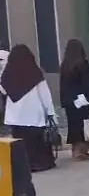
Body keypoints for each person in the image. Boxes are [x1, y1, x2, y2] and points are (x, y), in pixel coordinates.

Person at [0, 44, 57, 172]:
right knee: (36, 142)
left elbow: (3, 90)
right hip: (34, 114)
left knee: (20, 143)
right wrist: (50, 112)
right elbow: (45, 94)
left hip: (15, 116)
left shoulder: (8, 73)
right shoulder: (35, 72)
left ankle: (22, 166)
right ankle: (39, 163)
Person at [60, 39, 89, 161]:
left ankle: (75, 150)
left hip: (69, 102)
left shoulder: (65, 65)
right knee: (84, 125)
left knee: (73, 126)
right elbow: (88, 83)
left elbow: (62, 85)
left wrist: (64, 100)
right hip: (82, 101)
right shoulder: (82, 64)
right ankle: (81, 150)